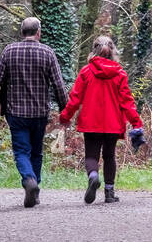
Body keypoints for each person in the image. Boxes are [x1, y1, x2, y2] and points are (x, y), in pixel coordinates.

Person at [0, 17, 68, 208]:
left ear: (22, 32)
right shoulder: (48, 52)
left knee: (22, 151)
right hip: (39, 112)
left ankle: (28, 180)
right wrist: (65, 110)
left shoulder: (9, 51)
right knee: (37, 152)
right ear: (38, 32)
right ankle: (35, 188)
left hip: (16, 112)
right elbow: (58, 85)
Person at [59, 35, 143, 204]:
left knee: (91, 155)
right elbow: (127, 102)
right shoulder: (119, 73)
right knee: (110, 156)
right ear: (113, 52)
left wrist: (65, 116)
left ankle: (93, 175)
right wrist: (136, 122)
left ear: (94, 50)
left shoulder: (86, 72)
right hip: (113, 124)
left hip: (90, 122)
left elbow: (75, 98)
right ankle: (110, 193)